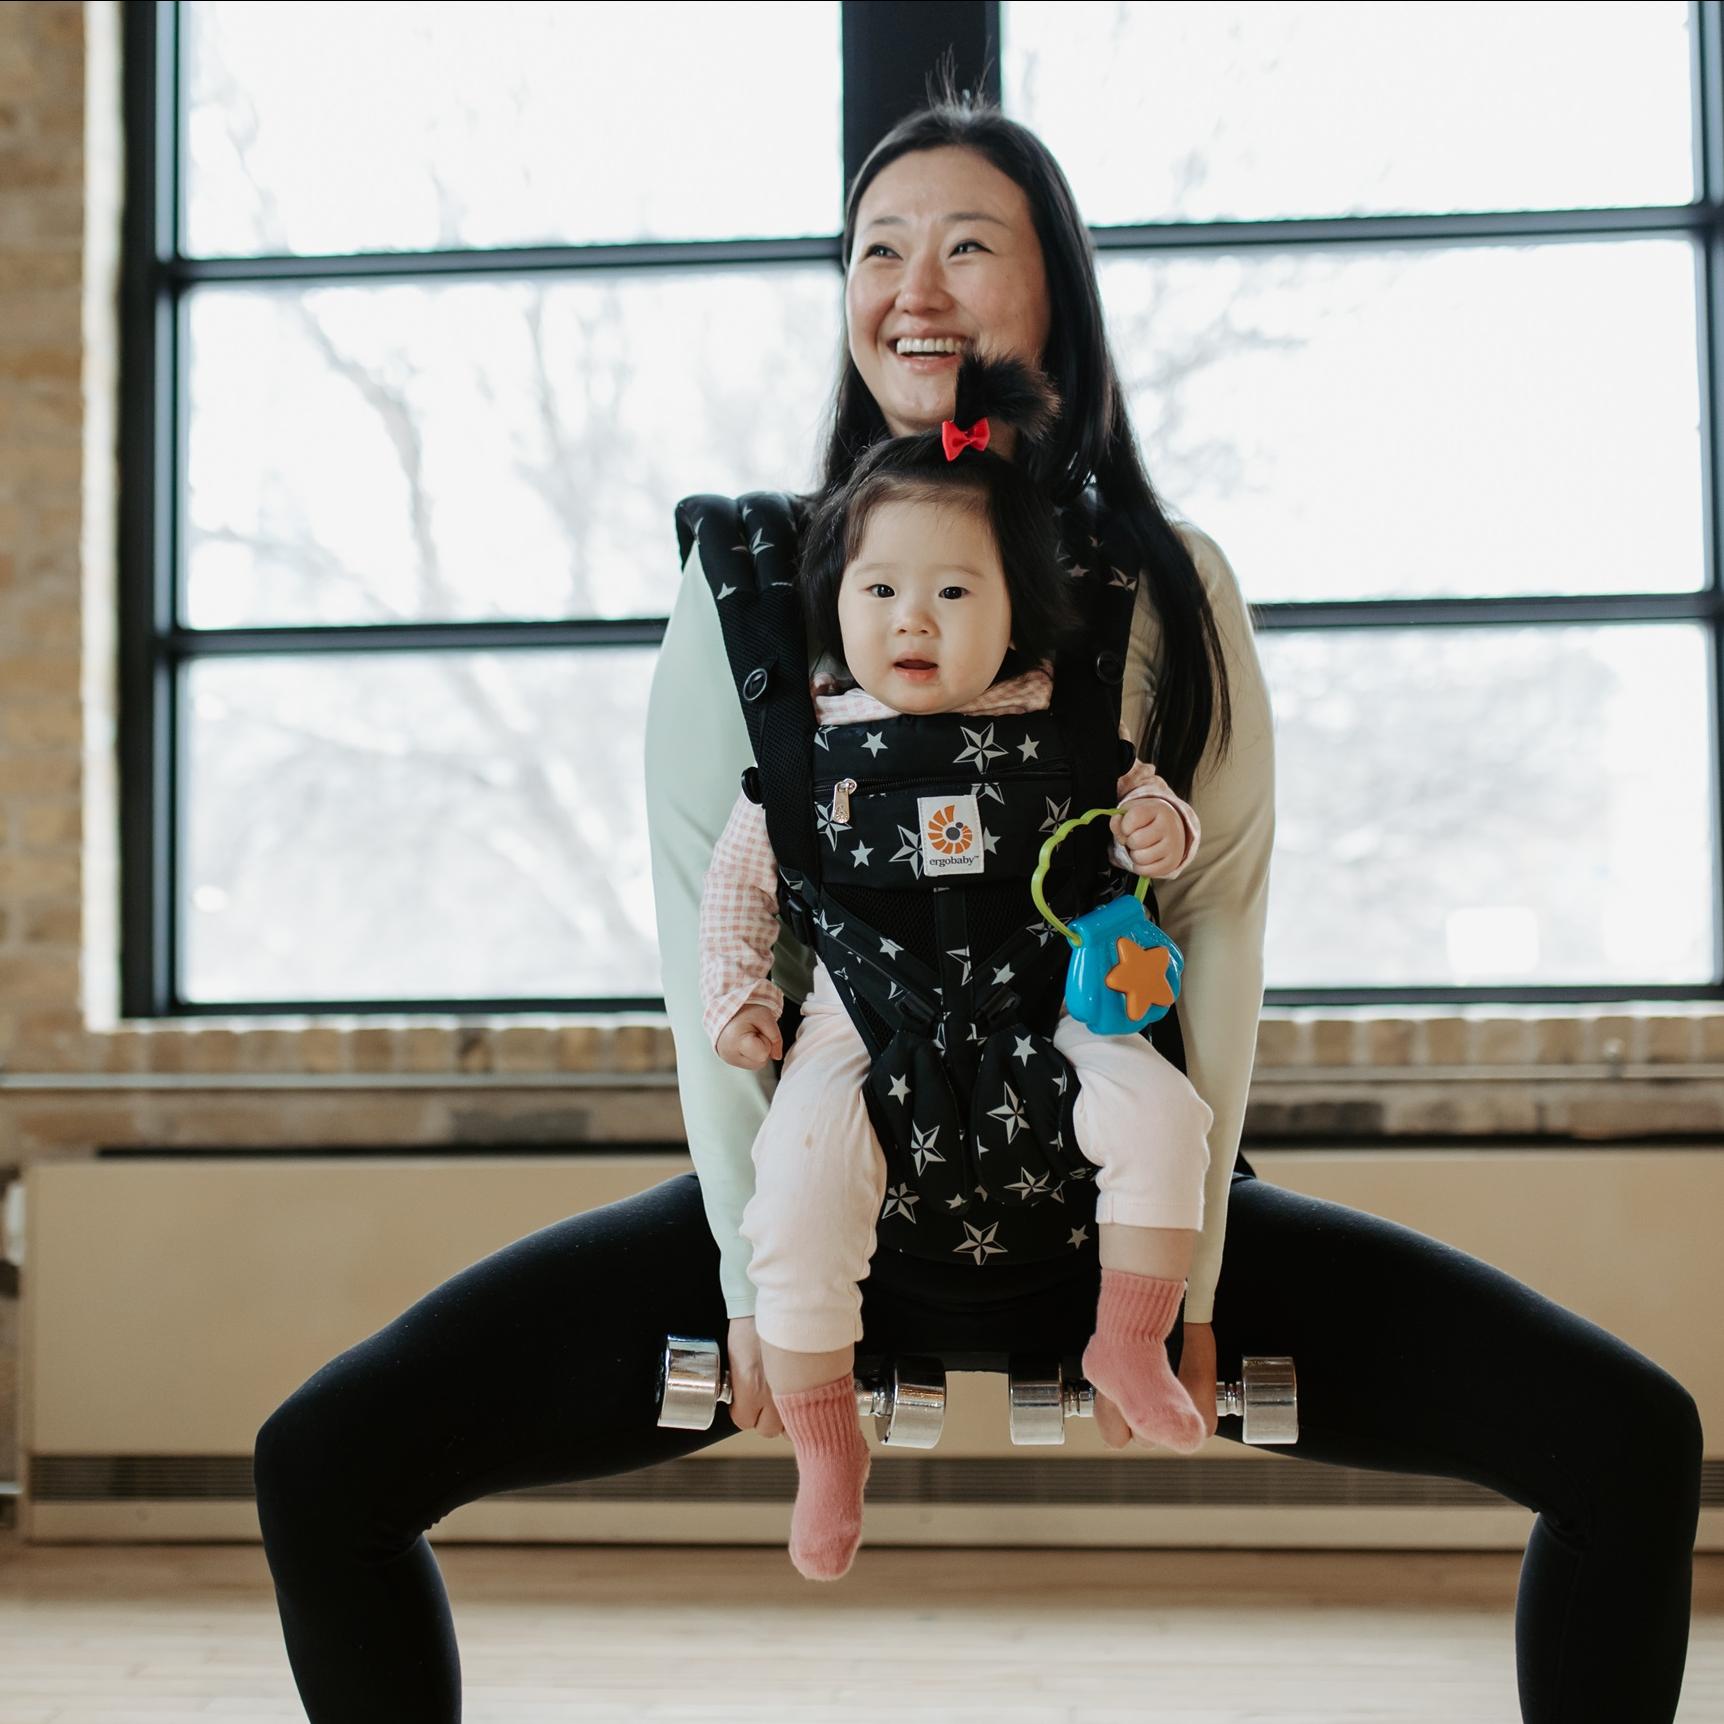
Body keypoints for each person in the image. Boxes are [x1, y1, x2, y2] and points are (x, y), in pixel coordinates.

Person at [252, 88, 1703, 1724]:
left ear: (1055, 304)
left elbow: (1212, 926)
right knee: (322, 1461)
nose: (910, 285)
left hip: (1115, 1200)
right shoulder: (750, 589)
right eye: (876, 249)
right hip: (824, 1203)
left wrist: (1195, 1280)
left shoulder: (1164, 580)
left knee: (1625, 1440)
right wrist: (745, 1283)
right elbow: (706, 938)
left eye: (964, 245)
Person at [700, 348, 1217, 1579]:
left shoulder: (1066, 732)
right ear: (834, 605)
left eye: (950, 592)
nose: (910, 620)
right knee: (799, 1184)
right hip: (856, 1022)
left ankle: (1127, 1341)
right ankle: (828, 1447)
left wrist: (1161, 828)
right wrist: (738, 996)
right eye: (876, 591)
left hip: (1049, 1001)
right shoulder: (810, 750)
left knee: (1165, 1111)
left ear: (1018, 612)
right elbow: (742, 880)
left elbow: (1151, 814)